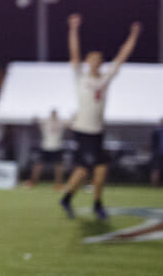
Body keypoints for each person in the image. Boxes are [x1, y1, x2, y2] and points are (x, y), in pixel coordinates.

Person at [59, 13, 141, 220]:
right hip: (82, 130)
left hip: (97, 131)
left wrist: (133, 35)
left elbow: (122, 56)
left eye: (98, 59)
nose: (95, 62)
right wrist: (73, 28)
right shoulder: (81, 77)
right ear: (88, 61)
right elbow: (74, 53)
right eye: (92, 59)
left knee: (101, 168)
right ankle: (70, 198)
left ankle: (93, 203)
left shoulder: (105, 78)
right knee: (85, 169)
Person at [26, 109, 68, 190]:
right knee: (39, 165)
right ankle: (33, 182)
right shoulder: (47, 121)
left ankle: (58, 184)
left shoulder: (60, 122)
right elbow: (36, 121)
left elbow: (70, 124)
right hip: (46, 146)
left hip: (56, 147)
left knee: (58, 167)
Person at [150, 118, 163, 186]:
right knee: (156, 170)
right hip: (158, 154)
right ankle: (154, 185)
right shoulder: (156, 132)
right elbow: (153, 144)